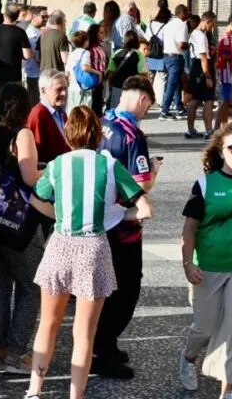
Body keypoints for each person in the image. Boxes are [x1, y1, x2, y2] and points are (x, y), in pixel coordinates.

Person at [25, 106, 153, 399]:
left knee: (48, 323)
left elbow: (36, 200)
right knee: (84, 333)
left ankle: (35, 389)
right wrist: (120, 214)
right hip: (93, 247)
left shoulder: (57, 165)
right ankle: (76, 394)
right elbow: (144, 208)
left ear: (68, 134)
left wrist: (59, 214)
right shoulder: (109, 166)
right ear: (97, 134)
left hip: (61, 243)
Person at [179, 122, 232, 399]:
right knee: (205, 325)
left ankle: (227, 391)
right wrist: (188, 264)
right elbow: (189, 229)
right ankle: (189, 357)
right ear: (221, 150)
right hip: (208, 266)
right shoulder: (205, 184)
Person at [93, 75, 161, 379]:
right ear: (143, 99)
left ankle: (105, 343)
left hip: (100, 218)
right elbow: (141, 183)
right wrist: (155, 169)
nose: (146, 112)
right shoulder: (132, 134)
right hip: (124, 222)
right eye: (148, 107)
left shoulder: (103, 121)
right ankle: (103, 349)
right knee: (126, 290)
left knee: (107, 286)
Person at [0, 83, 43, 375]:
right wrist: (50, 169)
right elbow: (29, 177)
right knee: (30, 286)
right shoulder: (21, 133)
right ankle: (16, 353)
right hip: (15, 219)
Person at [0, 5, 32, 97]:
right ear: (17, 16)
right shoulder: (20, 32)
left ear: (4, 15)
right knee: (13, 105)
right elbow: (28, 55)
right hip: (14, 76)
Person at [26, 69, 69, 164]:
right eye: (59, 89)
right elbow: (34, 156)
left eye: (65, 88)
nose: (64, 93)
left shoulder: (61, 113)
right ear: (43, 91)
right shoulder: (38, 115)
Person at [186, 12, 218, 139]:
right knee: (208, 100)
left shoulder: (194, 33)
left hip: (195, 67)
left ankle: (190, 130)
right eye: (213, 24)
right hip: (202, 67)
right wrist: (208, 76)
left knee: (195, 100)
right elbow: (203, 58)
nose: (213, 27)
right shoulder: (201, 36)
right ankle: (209, 131)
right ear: (208, 21)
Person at [161, 4, 191, 120]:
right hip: (176, 57)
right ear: (182, 12)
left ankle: (179, 108)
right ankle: (165, 111)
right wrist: (189, 45)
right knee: (172, 84)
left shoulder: (168, 24)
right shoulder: (182, 25)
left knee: (177, 83)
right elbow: (182, 44)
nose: (188, 14)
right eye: (187, 12)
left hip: (167, 56)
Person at [107, 30, 149, 110]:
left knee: (116, 111)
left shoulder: (116, 53)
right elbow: (143, 73)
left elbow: (111, 73)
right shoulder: (139, 55)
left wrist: (110, 85)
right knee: (130, 112)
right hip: (133, 87)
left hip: (117, 86)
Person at [65, 30, 101, 113]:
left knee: (72, 112)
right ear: (85, 42)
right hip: (82, 88)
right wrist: (97, 72)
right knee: (84, 113)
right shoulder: (85, 53)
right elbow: (84, 67)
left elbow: (67, 72)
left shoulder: (71, 54)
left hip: (72, 88)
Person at [217, 13, 232, 130]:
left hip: (228, 73)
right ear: (231, 24)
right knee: (225, 100)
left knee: (226, 101)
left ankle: (220, 126)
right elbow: (224, 56)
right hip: (225, 73)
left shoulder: (230, 37)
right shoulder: (226, 38)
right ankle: (222, 126)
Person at [39, 9, 68, 73]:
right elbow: (65, 59)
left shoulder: (42, 34)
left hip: (43, 72)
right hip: (56, 73)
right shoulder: (62, 36)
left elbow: (37, 56)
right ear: (62, 23)